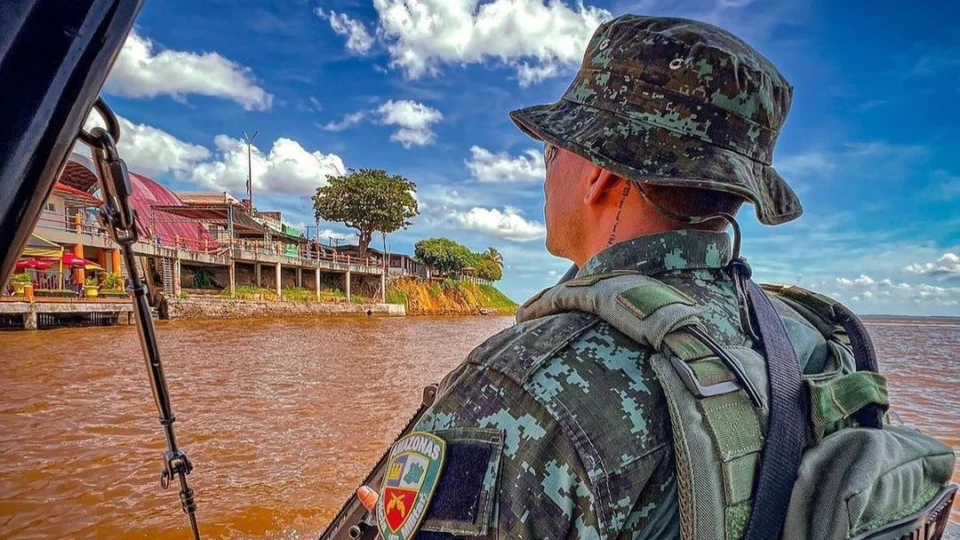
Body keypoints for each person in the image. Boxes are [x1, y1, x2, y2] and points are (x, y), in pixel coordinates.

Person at [361, 15, 954, 540]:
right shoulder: (810, 339)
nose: (546, 170)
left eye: (553, 149)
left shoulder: (523, 387)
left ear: (598, 171)